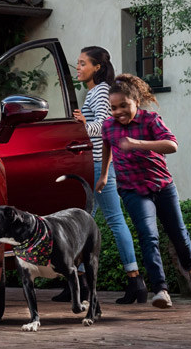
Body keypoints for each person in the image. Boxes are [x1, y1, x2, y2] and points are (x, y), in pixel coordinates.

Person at [96, 73, 191, 309]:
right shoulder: (109, 126)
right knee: (148, 235)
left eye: (124, 106)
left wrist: (139, 144)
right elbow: (107, 145)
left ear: (136, 101)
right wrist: (105, 174)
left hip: (162, 186)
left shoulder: (150, 121)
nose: (118, 112)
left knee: (178, 234)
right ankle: (161, 290)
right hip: (132, 190)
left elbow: (172, 145)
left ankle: (190, 268)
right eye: (114, 107)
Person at [66, 47, 146, 305]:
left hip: (100, 164)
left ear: (97, 67)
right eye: (77, 63)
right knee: (84, 221)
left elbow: (104, 126)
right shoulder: (93, 92)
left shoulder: (100, 91)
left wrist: (82, 125)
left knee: (113, 220)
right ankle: (79, 283)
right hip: (94, 163)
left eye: (82, 63)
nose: (77, 68)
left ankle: (135, 281)